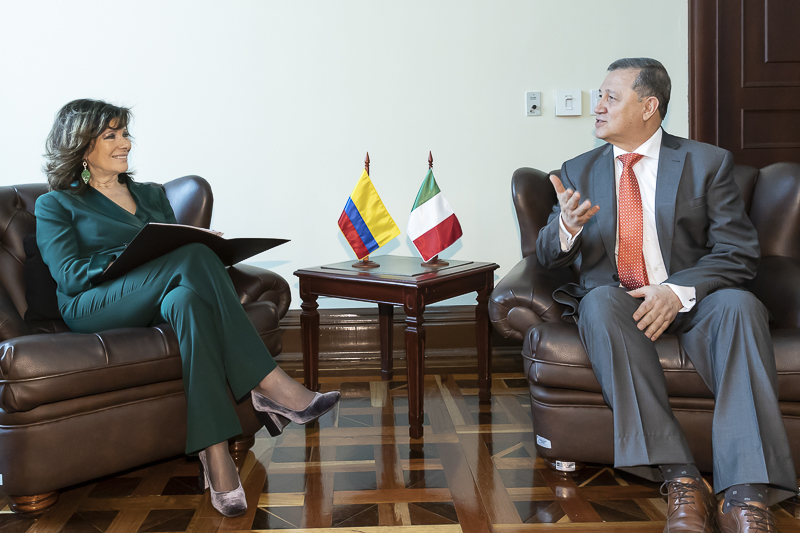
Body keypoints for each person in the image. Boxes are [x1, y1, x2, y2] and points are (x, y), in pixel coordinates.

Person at [35, 99, 340, 518]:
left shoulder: (151, 195)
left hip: (164, 295)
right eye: (112, 135)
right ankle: (269, 383)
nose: (125, 142)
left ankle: (215, 456)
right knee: (192, 255)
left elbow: (177, 254)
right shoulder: (57, 204)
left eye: (125, 133)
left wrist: (202, 247)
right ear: (82, 147)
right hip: (93, 304)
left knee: (189, 301)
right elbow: (69, 275)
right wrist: (137, 256)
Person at [536, 58, 795, 533]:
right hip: (620, 303)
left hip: (697, 301)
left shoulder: (706, 162)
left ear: (649, 106)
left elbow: (739, 252)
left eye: (610, 98)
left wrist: (676, 292)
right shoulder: (578, 170)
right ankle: (681, 479)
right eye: (599, 96)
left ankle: (745, 495)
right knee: (595, 302)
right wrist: (566, 229)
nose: (597, 107)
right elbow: (545, 254)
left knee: (741, 306)